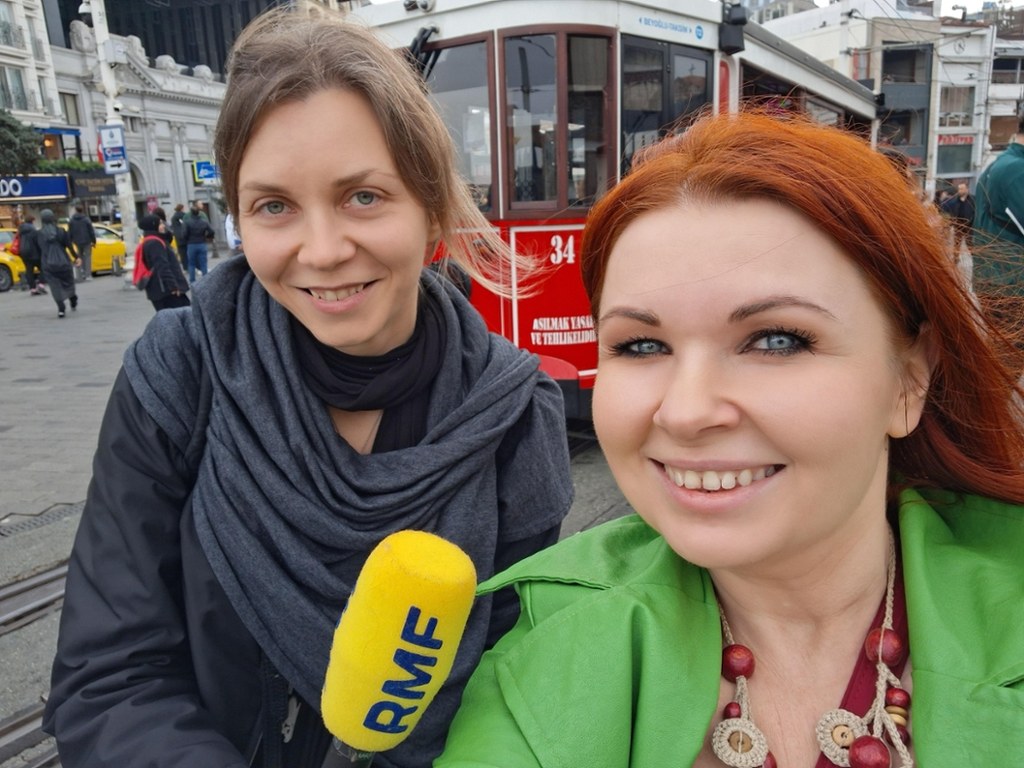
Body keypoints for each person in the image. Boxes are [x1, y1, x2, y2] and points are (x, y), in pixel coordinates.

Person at [43, 8, 573, 768]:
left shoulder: (513, 415)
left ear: (431, 211)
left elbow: (513, 681)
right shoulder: (180, 372)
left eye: (363, 197)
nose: (322, 251)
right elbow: (108, 677)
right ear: (239, 220)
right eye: (274, 206)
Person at [436, 110, 1024, 767]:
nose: (686, 413)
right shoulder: (538, 658)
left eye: (776, 340)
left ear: (910, 378)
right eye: (641, 345)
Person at [973, 113, 1024, 375]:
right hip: (1012, 285)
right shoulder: (1017, 170)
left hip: (996, 279)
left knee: (1001, 360)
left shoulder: (999, 164)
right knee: (1007, 365)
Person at [137, 213, 190, 311]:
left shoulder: (152, 240)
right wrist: (174, 287)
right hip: (166, 291)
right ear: (153, 225)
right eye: (160, 224)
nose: (163, 226)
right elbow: (162, 266)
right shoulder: (154, 243)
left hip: (161, 290)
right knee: (183, 316)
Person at [37, 209, 80, 318]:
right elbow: (69, 246)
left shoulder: (39, 234)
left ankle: (61, 308)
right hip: (64, 261)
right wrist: (76, 257)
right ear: (53, 218)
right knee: (68, 282)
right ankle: (72, 298)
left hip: (48, 264)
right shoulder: (61, 231)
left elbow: (37, 250)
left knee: (54, 286)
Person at [940, 182, 975, 259]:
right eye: (959, 189)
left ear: (967, 189)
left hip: (969, 226)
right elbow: (944, 206)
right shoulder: (955, 200)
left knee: (970, 244)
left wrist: (973, 222)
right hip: (958, 226)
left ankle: (975, 259)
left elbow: (976, 211)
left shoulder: (973, 200)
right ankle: (955, 260)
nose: (960, 191)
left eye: (962, 189)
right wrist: (943, 198)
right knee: (956, 245)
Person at [182, 201, 215, 282]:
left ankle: (192, 281)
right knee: (203, 263)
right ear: (199, 213)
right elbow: (211, 231)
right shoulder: (204, 221)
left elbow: (184, 234)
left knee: (191, 264)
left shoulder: (187, 222)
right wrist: (207, 237)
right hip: (202, 243)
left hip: (191, 244)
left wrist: (187, 240)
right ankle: (205, 280)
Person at [16, 213, 45, 295]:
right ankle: (41, 285)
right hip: (34, 252)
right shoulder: (33, 230)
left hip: (23, 252)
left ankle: (33, 289)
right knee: (43, 267)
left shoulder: (20, 231)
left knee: (29, 270)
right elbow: (38, 242)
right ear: (32, 221)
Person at [68, 204, 97, 282]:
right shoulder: (86, 219)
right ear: (82, 210)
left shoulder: (72, 220)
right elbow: (91, 231)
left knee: (80, 256)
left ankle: (82, 273)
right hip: (87, 240)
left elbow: (70, 231)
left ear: (76, 210)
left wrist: (70, 240)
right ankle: (88, 275)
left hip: (77, 241)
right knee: (87, 257)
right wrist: (93, 241)